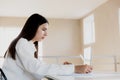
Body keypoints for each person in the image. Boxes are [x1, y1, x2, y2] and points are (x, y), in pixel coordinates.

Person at [2, 13, 92, 80]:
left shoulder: (28, 45)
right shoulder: (22, 43)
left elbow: (39, 70)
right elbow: (37, 68)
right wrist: (74, 68)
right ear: (33, 27)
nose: (46, 34)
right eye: (43, 29)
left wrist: (66, 68)